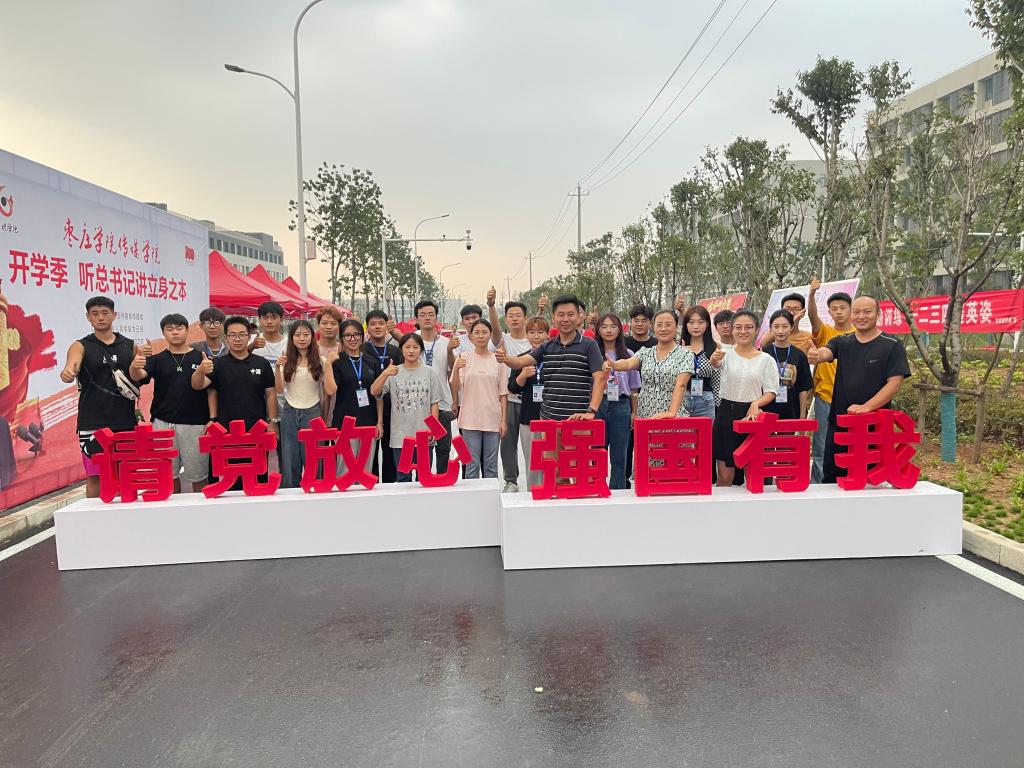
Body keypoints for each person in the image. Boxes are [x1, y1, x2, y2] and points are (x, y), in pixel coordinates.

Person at [808, 296, 911, 485]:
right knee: (833, 479)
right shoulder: (842, 341)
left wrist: (867, 407)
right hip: (840, 424)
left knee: (870, 481)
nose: (861, 316)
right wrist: (817, 355)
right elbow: (827, 352)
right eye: (856, 312)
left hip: (874, 427)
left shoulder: (891, 345)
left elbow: (895, 382)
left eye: (867, 312)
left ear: (878, 314)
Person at [60, 296, 145, 498]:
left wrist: (139, 368)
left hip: (124, 421)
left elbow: (139, 377)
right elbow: (70, 366)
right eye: (95, 314)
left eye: (105, 313)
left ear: (114, 315)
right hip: (93, 422)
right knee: (96, 476)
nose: (100, 318)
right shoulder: (80, 346)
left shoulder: (129, 345)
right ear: (88, 317)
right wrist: (67, 373)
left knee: (126, 473)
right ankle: (92, 515)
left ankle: (127, 512)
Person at [191, 315, 278, 491]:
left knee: (257, 479)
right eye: (232, 335)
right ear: (226, 337)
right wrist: (200, 371)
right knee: (229, 480)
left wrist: (272, 421)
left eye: (242, 334)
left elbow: (270, 394)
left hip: (256, 429)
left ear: (249, 337)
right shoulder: (218, 364)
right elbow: (200, 386)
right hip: (227, 430)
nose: (237, 339)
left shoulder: (261, 364)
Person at [130, 313, 210, 493]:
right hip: (163, 423)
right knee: (167, 475)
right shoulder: (157, 360)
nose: (175, 332)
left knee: (199, 476)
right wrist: (134, 366)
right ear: (163, 333)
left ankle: (201, 508)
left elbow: (210, 388)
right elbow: (139, 376)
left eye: (179, 328)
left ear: (187, 330)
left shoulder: (201, 358)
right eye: (170, 329)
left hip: (195, 423)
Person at [500, 295, 607, 422]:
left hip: (578, 421)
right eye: (561, 315)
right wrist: (504, 358)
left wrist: (591, 411)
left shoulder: (589, 345)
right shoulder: (547, 347)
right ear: (553, 318)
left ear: (578, 316)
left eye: (570, 314)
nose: (565, 319)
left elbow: (600, 377)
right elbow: (520, 362)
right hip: (548, 421)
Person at [710, 309, 779, 487]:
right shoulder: (725, 353)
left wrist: (756, 403)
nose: (743, 331)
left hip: (752, 416)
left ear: (756, 329)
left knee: (754, 476)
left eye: (748, 327)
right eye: (738, 327)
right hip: (726, 414)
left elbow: (771, 391)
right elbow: (716, 364)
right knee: (725, 477)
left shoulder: (766, 360)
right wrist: (714, 359)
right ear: (732, 330)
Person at [370, 332, 443, 482]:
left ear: (421, 350)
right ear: (401, 349)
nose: (411, 351)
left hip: (424, 434)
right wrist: (385, 374)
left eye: (415, 347)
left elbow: (434, 403)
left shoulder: (430, 372)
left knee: (424, 477)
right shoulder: (394, 372)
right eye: (407, 347)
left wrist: (433, 430)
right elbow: (374, 391)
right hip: (401, 436)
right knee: (403, 477)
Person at [275, 319, 337, 487]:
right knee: (289, 459)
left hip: (312, 413)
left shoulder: (321, 360)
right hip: (289, 411)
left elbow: (331, 390)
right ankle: (290, 494)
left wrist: (329, 364)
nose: (301, 338)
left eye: (306, 334)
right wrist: (277, 369)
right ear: (291, 338)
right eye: (297, 335)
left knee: (313, 459)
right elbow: (279, 390)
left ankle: (314, 492)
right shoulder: (286, 360)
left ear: (312, 336)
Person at [605, 309, 692, 420]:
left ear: (676, 327)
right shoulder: (645, 352)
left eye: (668, 324)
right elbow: (628, 363)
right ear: (653, 327)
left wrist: (671, 413)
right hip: (646, 415)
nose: (663, 329)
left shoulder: (685, 354)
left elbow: (681, 385)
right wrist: (614, 365)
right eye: (659, 325)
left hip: (672, 416)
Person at [807, 278, 854, 483]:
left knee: (851, 443)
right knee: (821, 445)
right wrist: (811, 294)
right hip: (826, 397)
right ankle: (819, 485)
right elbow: (813, 316)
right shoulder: (825, 332)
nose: (838, 312)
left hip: (853, 400)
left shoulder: (860, 334)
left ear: (850, 309)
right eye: (834, 309)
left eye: (843, 308)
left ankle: (848, 480)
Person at [450, 319, 508, 479]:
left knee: (491, 465)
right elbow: (455, 387)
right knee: (471, 464)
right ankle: (473, 495)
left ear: (490, 334)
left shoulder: (498, 360)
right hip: (470, 419)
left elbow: (503, 393)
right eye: (477, 332)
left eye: (484, 332)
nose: (481, 336)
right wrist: (456, 369)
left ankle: (491, 494)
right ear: (471, 335)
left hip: (492, 418)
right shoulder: (463, 357)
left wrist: (503, 421)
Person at [487, 293, 533, 492]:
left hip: (532, 400)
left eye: (518, 315)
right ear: (506, 319)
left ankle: (535, 481)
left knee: (533, 445)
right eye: (511, 316)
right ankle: (511, 481)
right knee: (507, 443)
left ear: (525, 318)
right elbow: (495, 329)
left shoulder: (534, 341)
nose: (515, 319)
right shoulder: (503, 340)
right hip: (510, 399)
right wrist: (491, 306)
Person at [331, 318, 383, 475]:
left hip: (368, 421)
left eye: (356, 335)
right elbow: (330, 390)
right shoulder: (337, 361)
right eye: (347, 335)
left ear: (362, 336)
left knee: (365, 470)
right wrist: (327, 364)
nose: (352, 339)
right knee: (344, 470)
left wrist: (379, 422)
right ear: (341, 338)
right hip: (344, 422)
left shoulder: (371, 361)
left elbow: (378, 395)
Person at [595, 313, 641, 490]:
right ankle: (598, 489)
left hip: (621, 405)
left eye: (613, 326)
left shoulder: (628, 354)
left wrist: (634, 412)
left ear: (620, 329)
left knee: (620, 455)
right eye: (604, 326)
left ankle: (617, 491)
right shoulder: (593, 353)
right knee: (597, 452)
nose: (608, 330)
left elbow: (634, 388)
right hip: (598, 404)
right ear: (598, 330)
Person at [507, 316, 551, 491]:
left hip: (552, 418)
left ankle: (552, 492)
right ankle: (534, 494)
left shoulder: (554, 357)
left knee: (551, 460)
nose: (536, 336)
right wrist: (522, 376)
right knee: (533, 461)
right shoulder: (521, 359)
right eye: (532, 332)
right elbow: (512, 388)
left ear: (548, 334)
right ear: (527, 335)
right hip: (529, 418)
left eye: (541, 332)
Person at [414, 300, 458, 475]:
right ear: (417, 318)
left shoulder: (446, 343)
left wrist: (455, 400)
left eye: (431, 314)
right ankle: (422, 481)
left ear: (436, 317)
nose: (427, 318)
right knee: (423, 450)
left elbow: (453, 371)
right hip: (419, 405)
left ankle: (442, 481)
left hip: (442, 404)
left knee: (443, 448)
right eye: (423, 315)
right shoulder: (412, 341)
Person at [365, 309, 403, 482]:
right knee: (370, 453)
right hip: (368, 409)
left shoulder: (395, 351)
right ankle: (371, 486)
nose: (377, 327)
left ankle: (391, 487)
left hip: (393, 409)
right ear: (367, 328)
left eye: (381, 323)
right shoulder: (362, 350)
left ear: (387, 326)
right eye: (373, 324)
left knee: (390, 453)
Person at [761, 309, 813, 420]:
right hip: (766, 411)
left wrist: (802, 416)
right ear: (770, 328)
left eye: (785, 326)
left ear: (791, 327)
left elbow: (803, 388)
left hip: (792, 410)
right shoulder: (764, 354)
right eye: (776, 327)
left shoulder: (799, 355)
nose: (780, 331)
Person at [681, 305, 720, 419]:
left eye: (700, 322)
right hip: (682, 397)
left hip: (705, 399)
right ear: (686, 324)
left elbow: (717, 379)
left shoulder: (715, 346)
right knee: (682, 430)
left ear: (707, 324)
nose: (696, 326)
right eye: (691, 322)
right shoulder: (678, 346)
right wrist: (681, 355)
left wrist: (718, 404)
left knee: (705, 430)